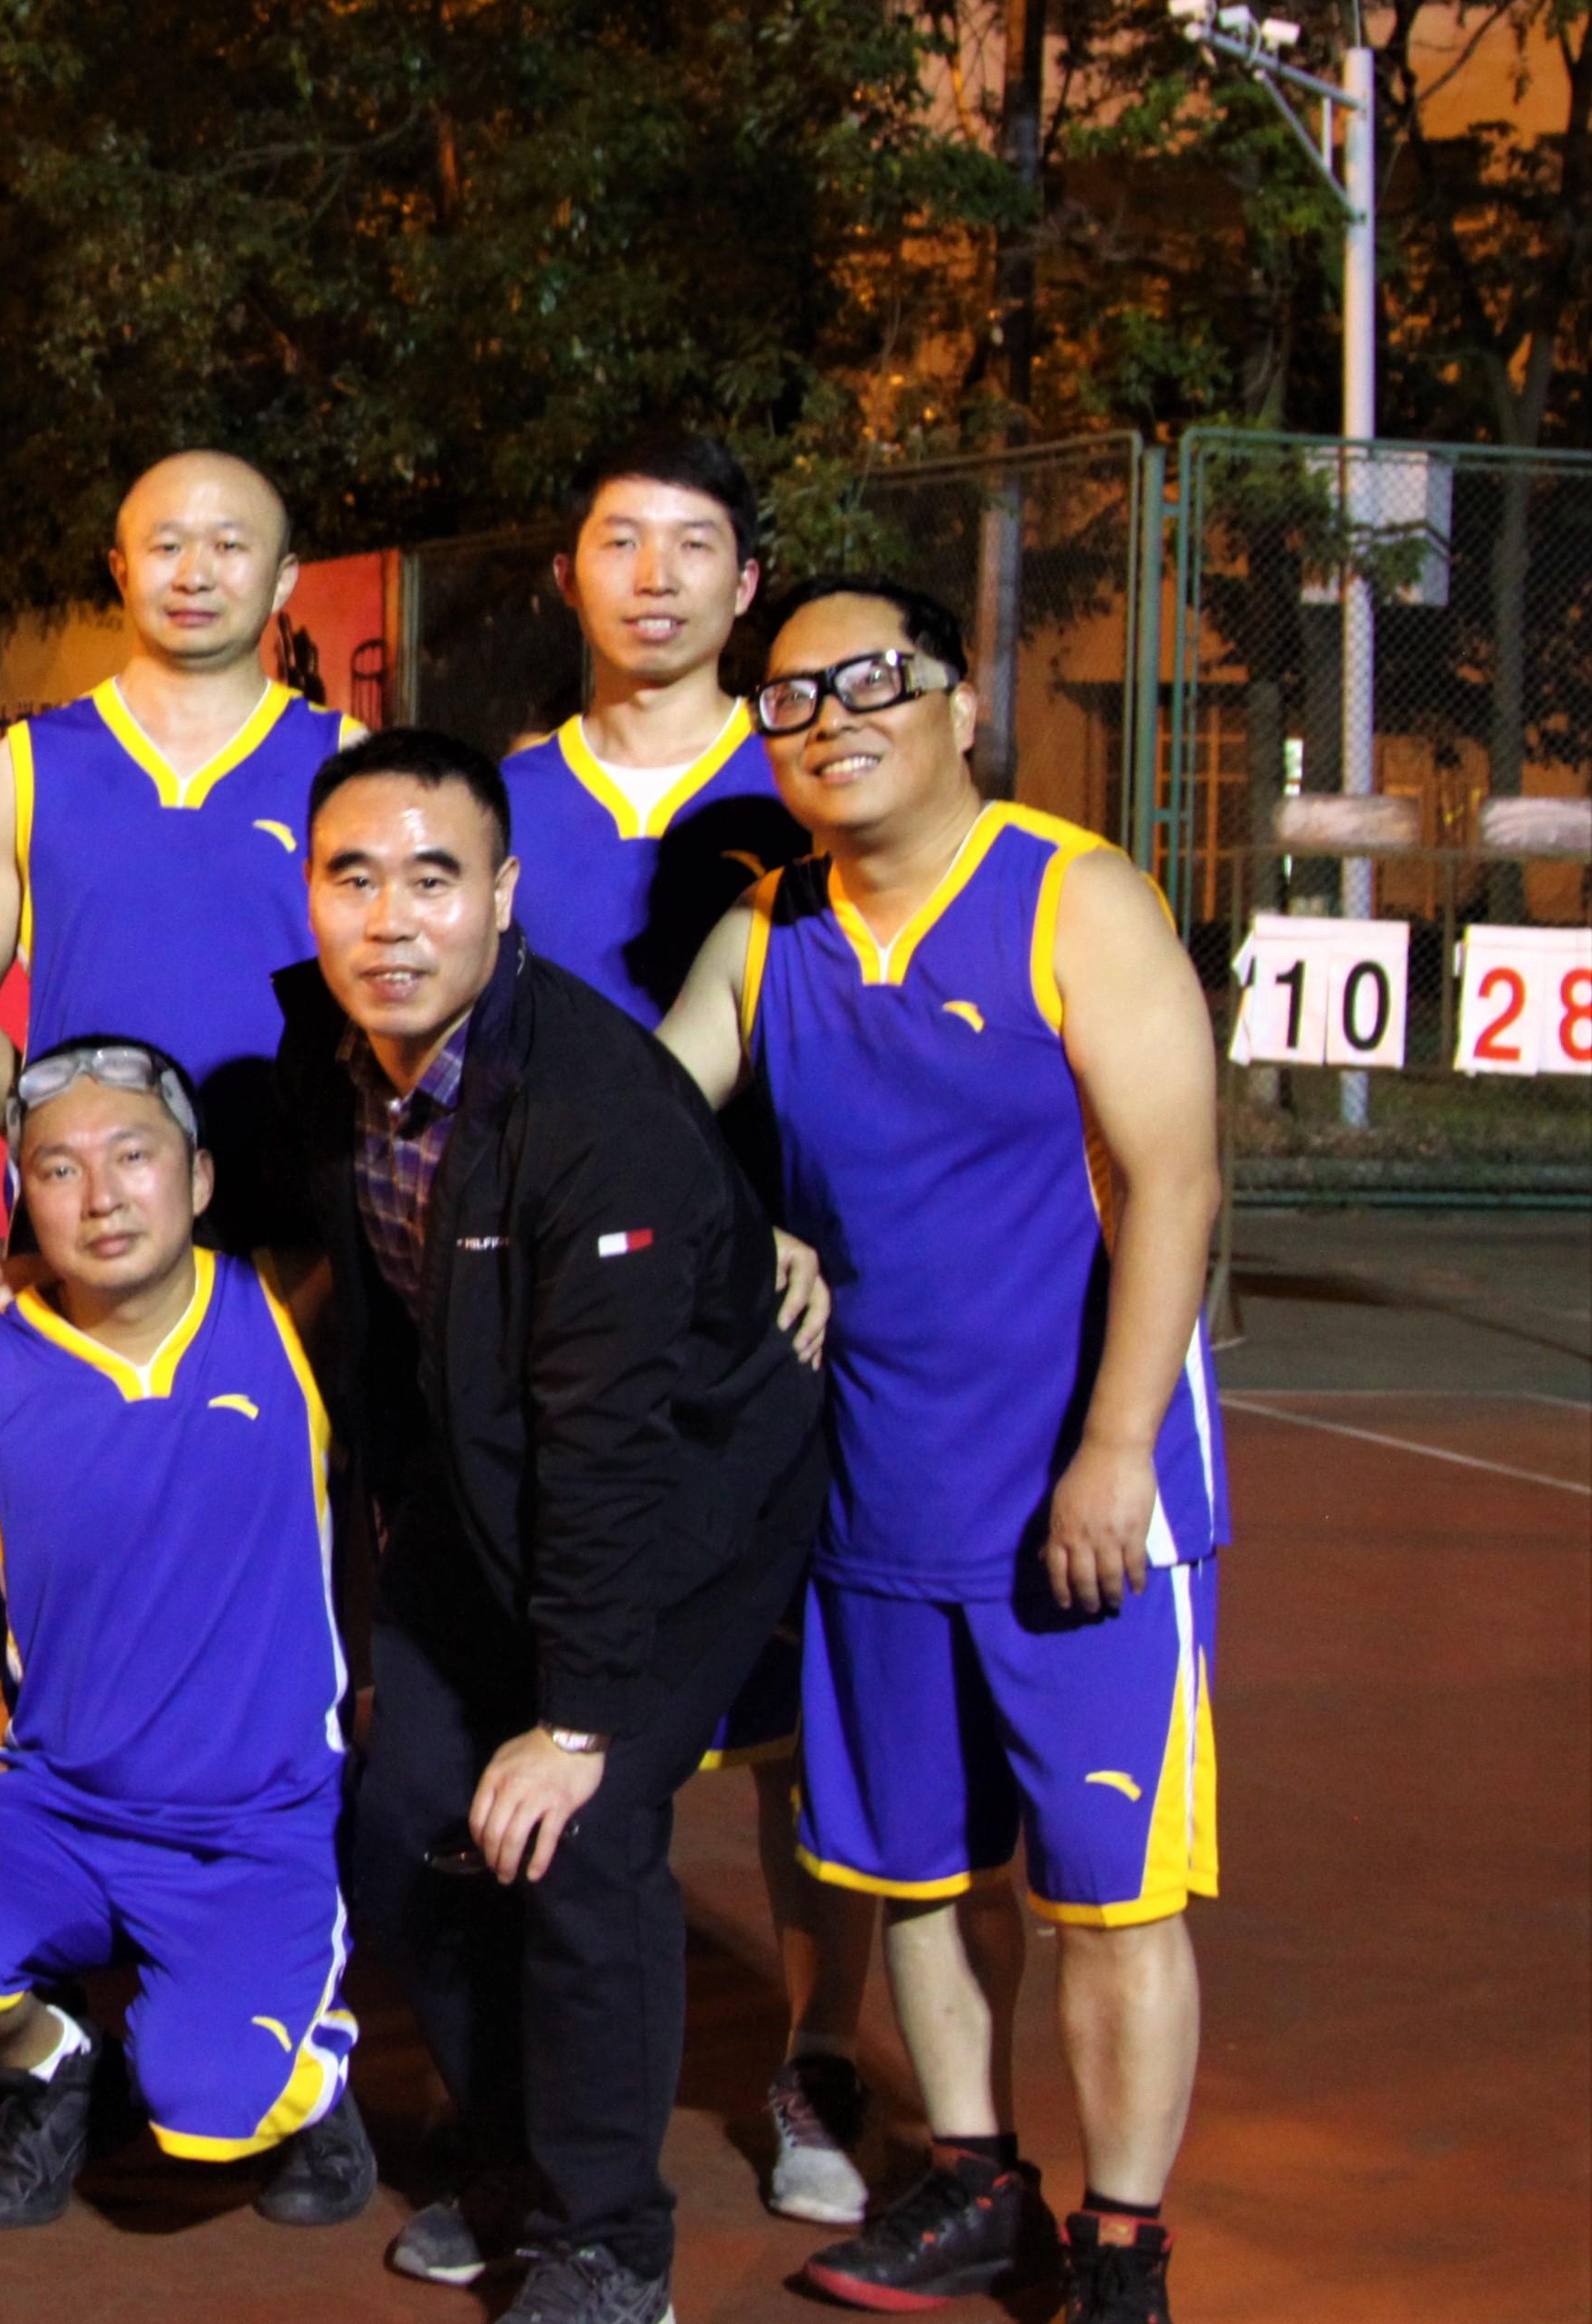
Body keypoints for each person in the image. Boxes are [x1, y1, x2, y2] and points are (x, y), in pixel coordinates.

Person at [656, 581, 1223, 2324]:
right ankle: (976, 2179)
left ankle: (1122, 2245)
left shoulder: (1073, 896)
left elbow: (1178, 1180)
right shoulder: (768, 931)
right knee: (916, 1870)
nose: (830, 716)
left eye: (872, 679)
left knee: (1109, 1897)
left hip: (1080, 1493)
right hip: (879, 1489)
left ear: (961, 705)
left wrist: (1115, 1445)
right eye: (789, 696)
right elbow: (644, 1131)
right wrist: (743, 1220)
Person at [273, 728, 827, 2324]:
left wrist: (574, 1722)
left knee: (573, 1834)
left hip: (678, 1504)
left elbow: (607, 1445)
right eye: (352, 878)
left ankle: (608, 2239)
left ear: (504, 893)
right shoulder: (327, 1050)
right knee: (399, 1812)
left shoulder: (594, 1113)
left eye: (432, 879)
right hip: (488, 1474)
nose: (390, 918)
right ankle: (512, 2144)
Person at [506, 433, 876, 2227]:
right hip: (559, 1331)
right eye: (619, 540)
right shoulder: (496, 799)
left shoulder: (818, 780)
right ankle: (544, 2100)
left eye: (695, 544)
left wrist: (794, 1230)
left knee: (803, 1733)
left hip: (773, 1332)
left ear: (748, 582)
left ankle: (818, 2061)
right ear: (566, 573)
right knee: (555, 1712)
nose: (654, 577)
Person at [0, 1037, 373, 2238]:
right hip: (57, 1811)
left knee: (211, 2111)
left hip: (252, 1827)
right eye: (58, 1170)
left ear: (201, 1178)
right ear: (25, 1201)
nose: (102, 1196)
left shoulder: (285, 1310)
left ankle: (312, 2072)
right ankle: (57, 2061)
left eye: (133, 1157)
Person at [0, 448, 354, 1184]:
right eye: (167, 545)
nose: (194, 575)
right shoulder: (24, 769)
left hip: (290, 1216)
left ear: (283, 578)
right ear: (121, 570)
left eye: (229, 545)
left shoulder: (346, 765)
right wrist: (62, 1147)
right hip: (95, 1231)